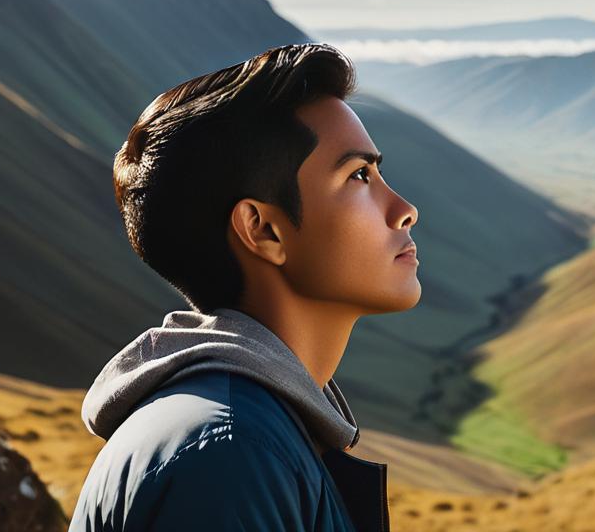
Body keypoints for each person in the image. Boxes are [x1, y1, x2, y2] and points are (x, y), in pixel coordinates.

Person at [68, 43, 421, 531]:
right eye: (359, 175)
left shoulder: (244, 433)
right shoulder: (229, 456)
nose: (404, 209)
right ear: (262, 230)